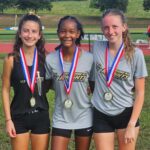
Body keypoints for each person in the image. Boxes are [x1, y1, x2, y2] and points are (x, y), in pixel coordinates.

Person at [91, 9, 148, 150]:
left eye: (114, 26)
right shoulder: (97, 47)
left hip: (126, 114)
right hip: (101, 112)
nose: (110, 31)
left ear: (124, 27)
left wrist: (131, 124)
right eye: (106, 27)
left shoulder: (136, 54)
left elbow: (140, 93)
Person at [2, 13, 50, 150]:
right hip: (18, 116)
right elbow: (5, 89)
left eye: (34, 31)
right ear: (20, 33)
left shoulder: (46, 58)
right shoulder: (10, 60)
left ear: (39, 35)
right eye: (26, 31)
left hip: (41, 115)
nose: (29, 35)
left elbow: (54, 82)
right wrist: (8, 120)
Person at [45, 16, 93, 150]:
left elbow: (95, 87)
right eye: (63, 31)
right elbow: (47, 86)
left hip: (84, 116)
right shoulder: (51, 59)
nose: (67, 35)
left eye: (71, 31)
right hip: (61, 117)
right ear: (58, 32)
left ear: (78, 34)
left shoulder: (89, 58)